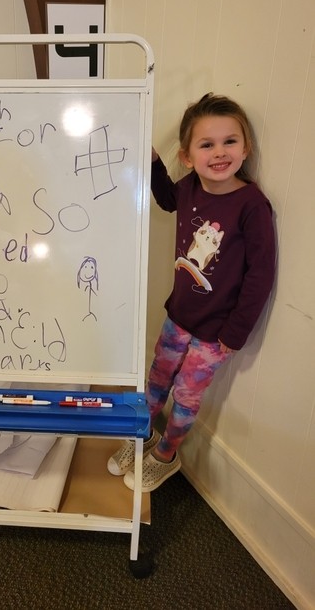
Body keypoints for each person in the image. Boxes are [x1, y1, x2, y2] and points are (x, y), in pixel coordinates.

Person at [107, 93, 276, 492]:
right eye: (207, 144)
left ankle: (166, 455)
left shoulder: (252, 205)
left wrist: (236, 331)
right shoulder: (189, 188)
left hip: (216, 332)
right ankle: (142, 435)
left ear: (246, 148)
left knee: (186, 395)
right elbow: (167, 198)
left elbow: (261, 273)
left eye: (229, 141)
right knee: (156, 379)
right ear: (187, 156)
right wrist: (152, 160)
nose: (219, 153)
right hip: (178, 315)